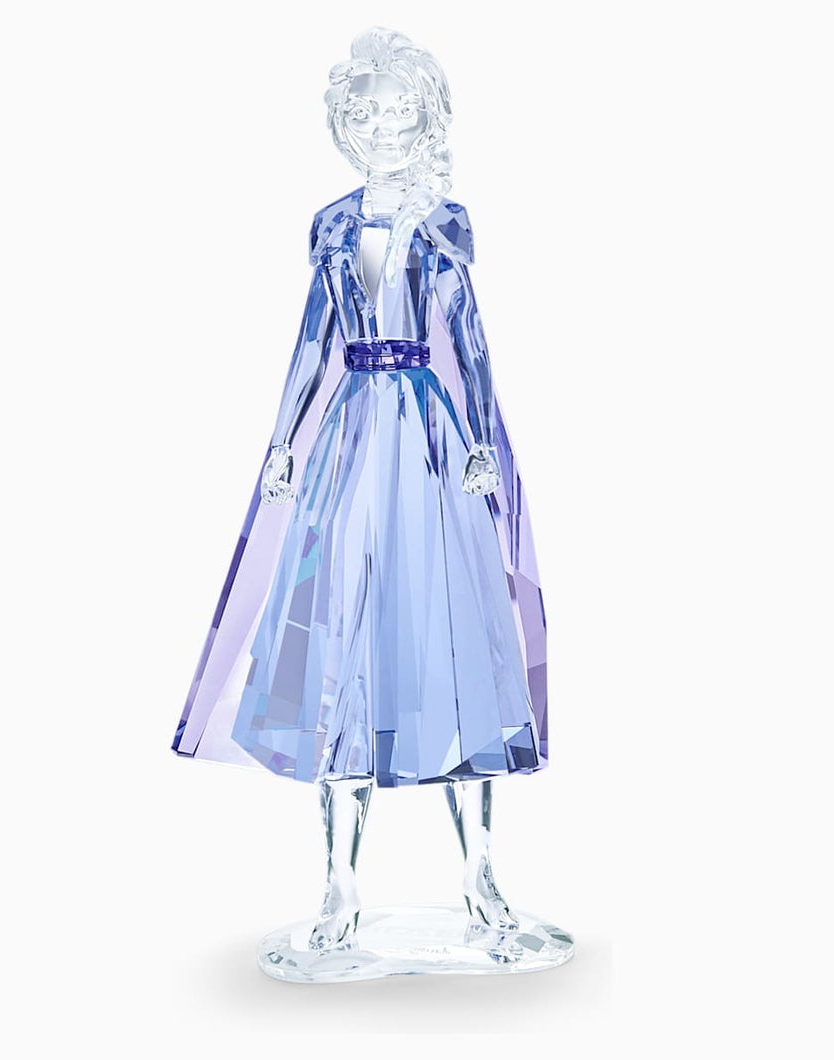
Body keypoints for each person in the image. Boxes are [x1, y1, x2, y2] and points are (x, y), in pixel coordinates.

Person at [173, 27, 549, 953]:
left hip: (425, 443)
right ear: (346, 125)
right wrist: (283, 442)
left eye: (401, 112)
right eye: (368, 114)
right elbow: (312, 345)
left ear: (429, 119)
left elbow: (470, 346)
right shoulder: (336, 226)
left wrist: (480, 440)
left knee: (457, 642)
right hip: (350, 441)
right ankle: (339, 888)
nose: (385, 129)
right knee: (339, 646)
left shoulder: (443, 224)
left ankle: (481, 879)